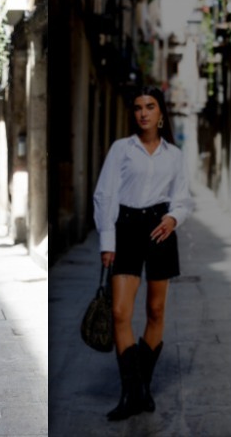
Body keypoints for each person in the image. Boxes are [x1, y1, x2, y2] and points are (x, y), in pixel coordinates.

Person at [93, 86, 194, 421]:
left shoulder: (174, 156)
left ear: (160, 113)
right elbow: (105, 194)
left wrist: (173, 217)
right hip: (127, 229)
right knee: (121, 312)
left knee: (155, 310)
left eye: (150, 106)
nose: (143, 113)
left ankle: (142, 388)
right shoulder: (122, 149)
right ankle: (131, 391)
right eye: (138, 107)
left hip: (161, 230)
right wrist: (108, 242)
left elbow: (183, 197)